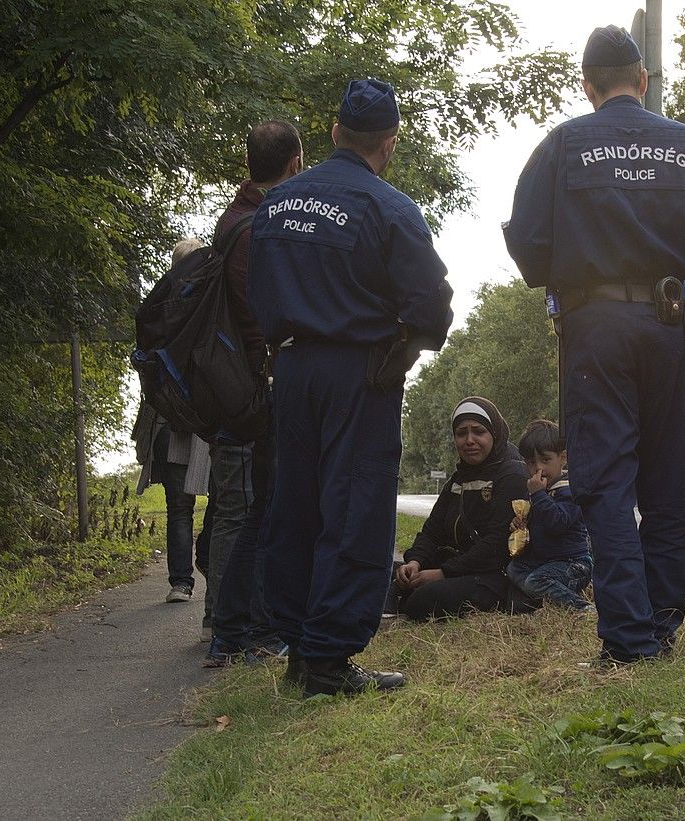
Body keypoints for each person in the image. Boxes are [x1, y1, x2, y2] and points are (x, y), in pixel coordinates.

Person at [503, 26, 685, 665]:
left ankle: (628, 639)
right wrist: (683, 278)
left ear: (588, 88)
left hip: (594, 330)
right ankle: (662, 626)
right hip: (671, 322)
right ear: (642, 80)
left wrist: (568, 272)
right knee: (670, 475)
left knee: (606, 482)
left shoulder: (562, 145)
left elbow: (526, 238)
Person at [247, 79, 453, 697]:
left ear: (334, 134)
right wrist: (409, 348)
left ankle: (297, 645)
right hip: (359, 374)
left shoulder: (275, 205)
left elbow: (257, 293)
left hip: (292, 370)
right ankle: (329, 661)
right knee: (354, 509)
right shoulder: (389, 209)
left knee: (295, 506)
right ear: (389, 143)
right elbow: (431, 302)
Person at [203, 120, 303, 667]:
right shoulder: (256, 225)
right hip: (254, 386)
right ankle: (248, 632)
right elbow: (255, 313)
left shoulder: (233, 218)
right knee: (259, 510)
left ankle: (232, 630)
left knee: (249, 509)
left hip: (236, 383)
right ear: (293, 164)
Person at [390, 397, 529, 621]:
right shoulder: (458, 479)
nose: (470, 440)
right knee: (383, 573)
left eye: (478, 431)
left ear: (494, 434)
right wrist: (415, 562)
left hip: (492, 575)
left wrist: (443, 573)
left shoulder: (512, 476)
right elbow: (431, 532)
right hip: (456, 565)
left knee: (423, 599)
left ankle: (400, 601)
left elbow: (497, 545)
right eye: (461, 433)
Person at [133, 238, 212, 607]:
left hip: (169, 420)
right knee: (223, 504)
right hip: (204, 420)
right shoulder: (207, 305)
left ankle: (182, 582)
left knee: (179, 507)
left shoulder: (157, 311)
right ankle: (209, 574)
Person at [508, 420, 593, 612]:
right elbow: (537, 520)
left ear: (563, 458)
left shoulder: (569, 491)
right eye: (531, 463)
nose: (538, 468)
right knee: (514, 569)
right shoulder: (536, 489)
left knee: (535, 581)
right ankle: (550, 597)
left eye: (545, 460)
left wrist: (538, 495)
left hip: (572, 564)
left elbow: (557, 523)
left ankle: (581, 607)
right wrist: (519, 524)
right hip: (544, 561)